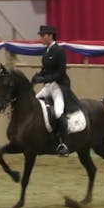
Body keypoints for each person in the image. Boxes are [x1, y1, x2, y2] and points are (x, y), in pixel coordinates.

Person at [31, 25, 81, 156]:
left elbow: (60, 73)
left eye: (43, 35)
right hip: (48, 87)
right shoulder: (46, 52)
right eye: (41, 35)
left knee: (58, 113)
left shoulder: (59, 51)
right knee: (34, 103)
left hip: (59, 87)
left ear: (50, 35)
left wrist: (44, 78)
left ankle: (64, 144)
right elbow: (44, 70)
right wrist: (37, 77)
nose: (41, 38)